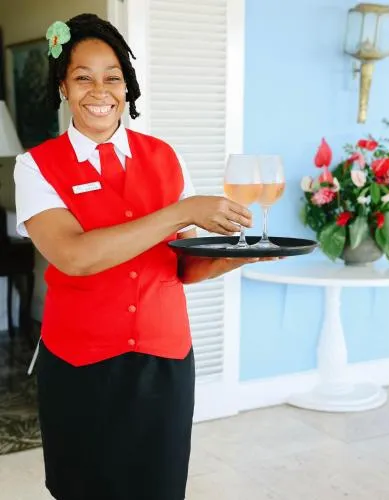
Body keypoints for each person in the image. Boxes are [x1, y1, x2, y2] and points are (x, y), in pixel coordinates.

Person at [14, 13, 271, 500]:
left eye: (113, 78)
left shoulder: (165, 157)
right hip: (80, 366)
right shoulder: (36, 167)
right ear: (63, 87)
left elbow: (183, 265)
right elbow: (74, 256)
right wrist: (182, 211)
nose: (100, 91)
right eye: (83, 78)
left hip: (164, 361)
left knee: (159, 488)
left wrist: (238, 256)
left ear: (127, 86)